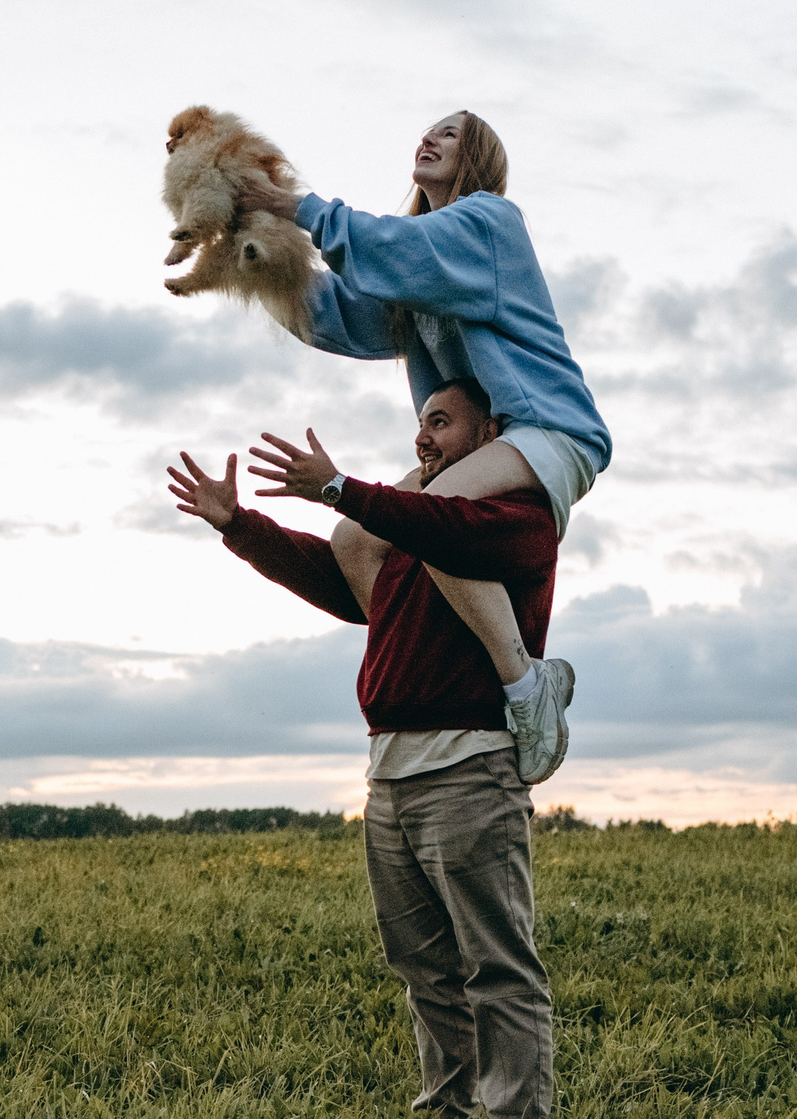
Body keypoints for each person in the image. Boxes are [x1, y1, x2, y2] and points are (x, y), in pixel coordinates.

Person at [167, 378, 557, 1119]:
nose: (423, 437)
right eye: (420, 422)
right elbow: (341, 580)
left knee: (496, 963)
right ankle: (447, 1115)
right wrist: (241, 526)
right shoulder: (410, 536)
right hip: (391, 775)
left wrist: (342, 488)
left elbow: (434, 525)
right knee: (423, 965)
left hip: (470, 771)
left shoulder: (518, 520)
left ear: (493, 436)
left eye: (441, 422)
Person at [232, 111, 606, 785]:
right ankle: (430, 656)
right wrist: (253, 248)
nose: (429, 138)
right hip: (483, 444)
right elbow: (336, 316)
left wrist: (293, 205)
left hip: (550, 429)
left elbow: (392, 249)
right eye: (428, 129)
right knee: (354, 539)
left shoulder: (490, 224)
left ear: (478, 156)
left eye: (451, 134)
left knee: (433, 518)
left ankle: (527, 684)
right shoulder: (418, 274)